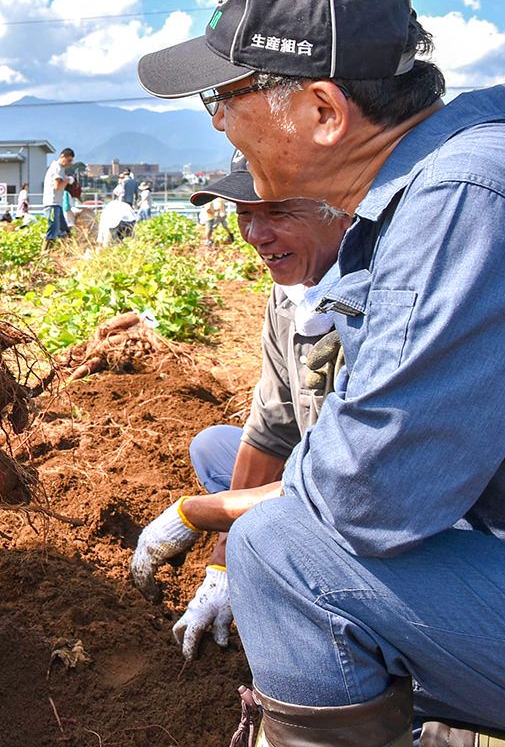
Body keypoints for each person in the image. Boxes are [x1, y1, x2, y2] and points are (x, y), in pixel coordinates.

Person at [135, 0, 505, 747]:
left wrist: (210, 516)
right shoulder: (438, 194)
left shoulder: (469, 202)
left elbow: (367, 495)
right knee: (260, 502)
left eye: (222, 101)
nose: (219, 129)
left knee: (281, 556)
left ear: (321, 111)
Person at [131, 148, 351, 661]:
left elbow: (350, 483)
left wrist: (198, 512)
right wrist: (221, 566)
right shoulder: (289, 296)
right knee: (213, 448)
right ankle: (260, 545)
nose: (256, 235)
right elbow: (271, 428)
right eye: (246, 214)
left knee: (285, 520)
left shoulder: (369, 299)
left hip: (370, 494)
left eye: (277, 212)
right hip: (313, 465)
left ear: (336, 207)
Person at [42, 148, 74, 242]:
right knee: (54, 228)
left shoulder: (59, 168)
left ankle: (65, 250)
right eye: (68, 160)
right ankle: (47, 251)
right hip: (52, 203)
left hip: (57, 204)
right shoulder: (57, 168)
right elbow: (57, 186)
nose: (69, 163)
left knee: (64, 230)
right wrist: (67, 181)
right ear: (62, 156)